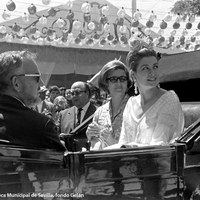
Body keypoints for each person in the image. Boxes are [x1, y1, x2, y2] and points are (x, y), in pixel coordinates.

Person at [109, 38, 184, 149]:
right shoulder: (131, 103)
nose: (152, 73)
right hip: (129, 163)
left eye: (155, 67)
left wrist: (127, 148)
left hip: (160, 164)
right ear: (133, 75)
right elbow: (123, 142)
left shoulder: (169, 99)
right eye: (145, 68)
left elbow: (159, 146)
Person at [0, 50, 65, 151]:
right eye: (36, 78)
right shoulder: (41, 126)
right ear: (16, 83)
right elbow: (62, 165)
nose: (42, 84)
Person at [86, 59, 132, 150]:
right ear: (106, 83)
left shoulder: (135, 107)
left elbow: (141, 144)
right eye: (113, 79)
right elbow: (95, 145)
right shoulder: (100, 111)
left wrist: (114, 143)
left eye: (122, 79)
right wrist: (90, 136)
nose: (119, 83)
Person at [58, 81, 96, 151]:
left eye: (77, 92)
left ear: (87, 93)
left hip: (89, 157)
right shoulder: (63, 114)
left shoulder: (98, 113)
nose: (74, 96)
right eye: (72, 93)